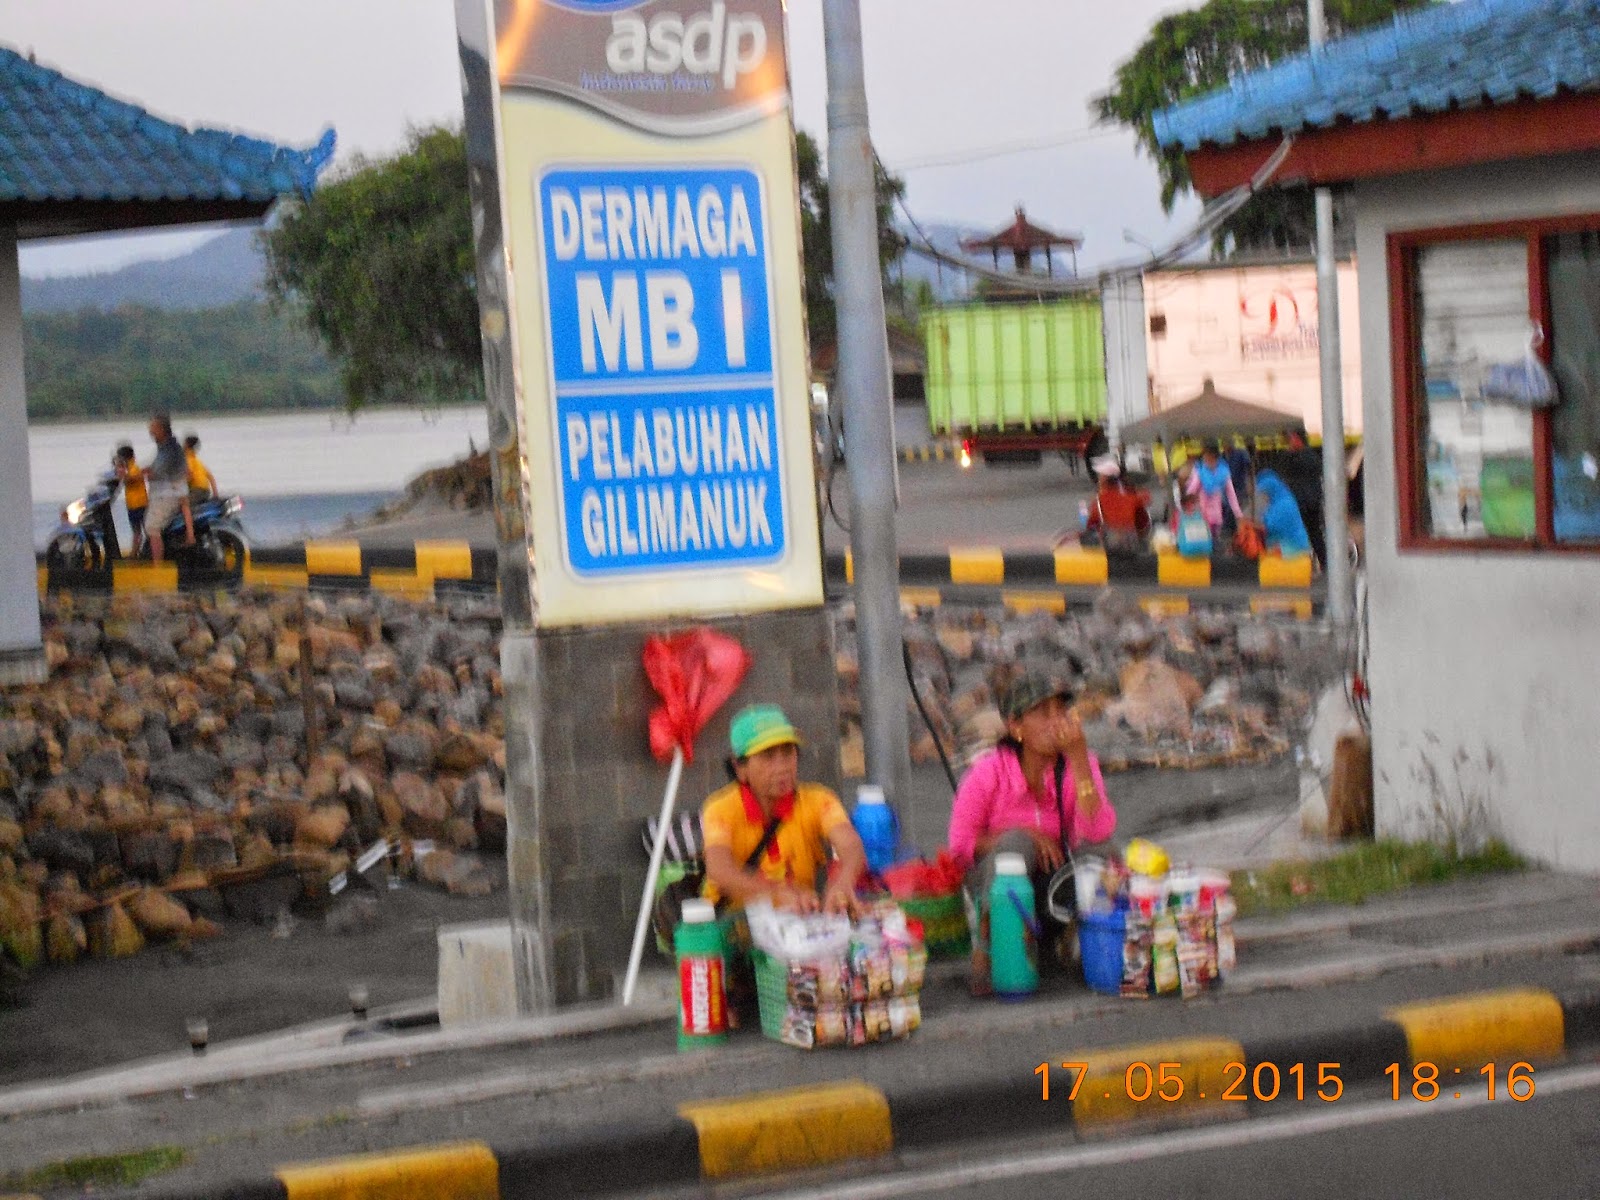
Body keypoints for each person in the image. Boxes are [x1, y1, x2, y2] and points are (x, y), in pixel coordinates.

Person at [948, 671, 1117, 995]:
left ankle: (1084, 944)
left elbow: (1097, 831)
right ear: (1016, 726)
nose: (1055, 721)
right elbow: (961, 844)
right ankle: (990, 949)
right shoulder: (988, 772)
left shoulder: (1078, 764)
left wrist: (1079, 760)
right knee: (1016, 845)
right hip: (1000, 887)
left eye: (1060, 711)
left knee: (1102, 853)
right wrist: (1025, 835)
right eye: (1042, 712)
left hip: (1056, 884)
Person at [700, 704, 867, 915]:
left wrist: (843, 881)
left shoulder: (819, 800)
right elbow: (719, 869)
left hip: (798, 925)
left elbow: (850, 845)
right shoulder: (720, 809)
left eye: (788, 752)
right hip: (734, 927)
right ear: (740, 767)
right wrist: (776, 894)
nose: (782, 767)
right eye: (767, 755)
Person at [143, 412, 193, 563]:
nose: (150, 432)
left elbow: (156, 472)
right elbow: (154, 468)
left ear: (161, 429)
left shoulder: (170, 450)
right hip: (168, 493)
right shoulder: (165, 447)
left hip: (170, 495)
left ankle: (158, 567)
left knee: (152, 527)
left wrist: (132, 476)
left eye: (153, 428)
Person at [1085, 455, 1151, 551]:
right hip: (1132, 548)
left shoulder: (1099, 501)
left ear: (1104, 480)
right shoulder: (1133, 497)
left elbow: (1091, 526)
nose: (1098, 480)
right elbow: (1144, 525)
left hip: (1111, 549)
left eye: (1100, 477)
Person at [1185, 442, 1243, 544]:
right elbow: (1191, 490)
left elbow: (1231, 494)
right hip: (1201, 511)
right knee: (1204, 540)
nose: (1204, 458)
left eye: (1207, 455)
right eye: (1204, 455)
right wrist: (1187, 506)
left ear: (1213, 456)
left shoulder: (1223, 472)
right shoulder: (1200, 470)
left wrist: (1238, 513)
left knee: (1214, 540)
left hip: (1216, 514)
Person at [1256, 469, 1312, 557]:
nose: (1264, 496)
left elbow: (1270, 527)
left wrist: (1250, 527)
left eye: (1265, 493)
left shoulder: (1284, 504)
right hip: (1285, 549)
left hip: (1294, 550)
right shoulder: (1276, 502)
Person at [114, 444, 147, 558]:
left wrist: (120, 470)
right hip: (132, 504)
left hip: (140, 504)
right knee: (136, 532)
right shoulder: (128, 468)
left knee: (142, 531)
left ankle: (139, 554)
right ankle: (135, 554)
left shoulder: (134, 468)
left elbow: (129, 479)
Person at [182, 434, 218, 503]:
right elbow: (211, 477)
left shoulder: (187, 459)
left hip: (197, 491)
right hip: (206, 492)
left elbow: (189, 475)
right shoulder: (197, 461)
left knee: (179, 503)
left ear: (186, 445)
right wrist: (215, 495)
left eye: (183, 443)